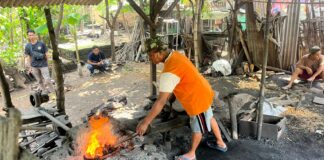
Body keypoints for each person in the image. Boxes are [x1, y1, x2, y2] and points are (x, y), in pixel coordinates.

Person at [136, 37, 227, 160]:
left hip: (196, 99)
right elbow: (179, 79)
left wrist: (145, 123)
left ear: (159, 53)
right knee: (209, 116)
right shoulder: (175, 55)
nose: (150, 59)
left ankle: (192, 154)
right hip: (204, 90)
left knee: (197, 126)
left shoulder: (169, 72)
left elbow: (161, 101)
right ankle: (220, 143)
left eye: (150, 55)